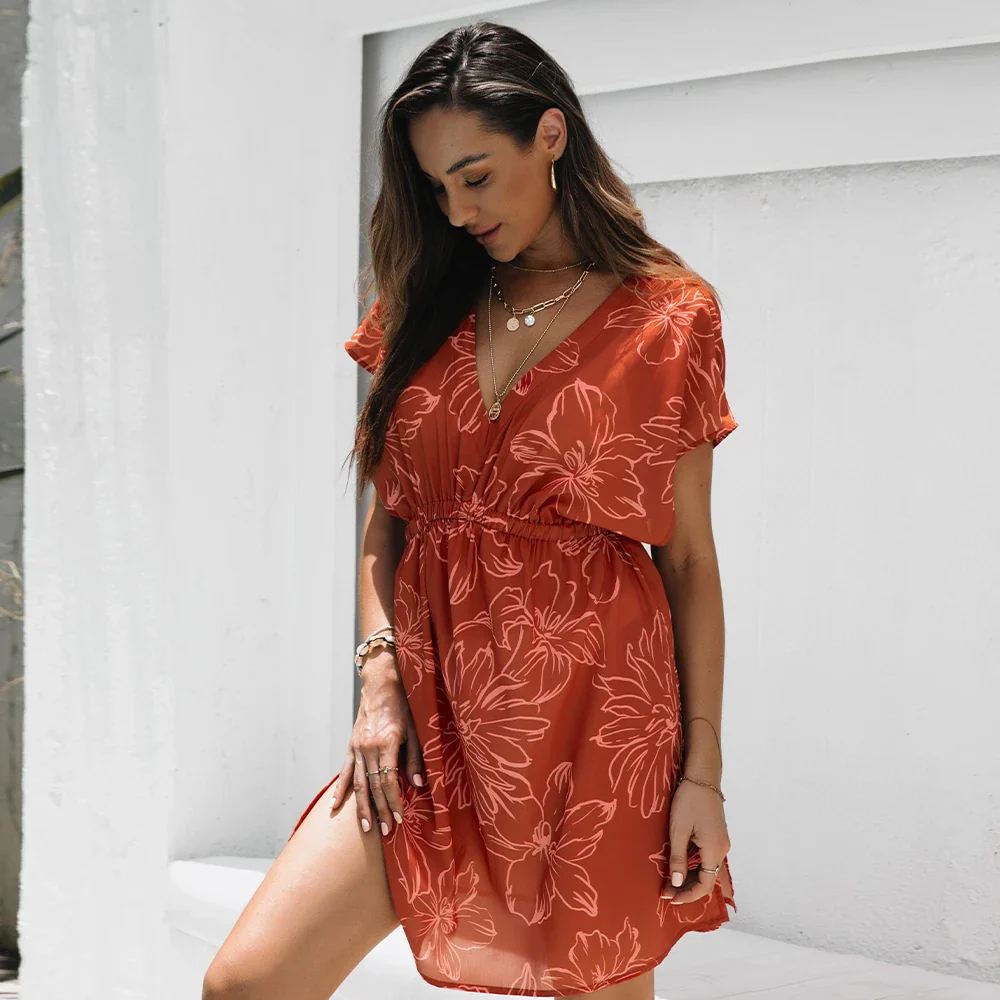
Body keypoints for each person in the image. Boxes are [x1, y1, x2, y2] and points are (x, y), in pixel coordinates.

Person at [203, 20, 739, 1000]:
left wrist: (700, 773)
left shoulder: (672, 316)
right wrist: (378, 681)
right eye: (435, 186)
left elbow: (690, 561)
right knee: (248, 984)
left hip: (598, 731)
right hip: (430, 721)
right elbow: (389, 521)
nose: (456, 210)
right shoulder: (423, 301)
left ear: (550, 135)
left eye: (475, 176)